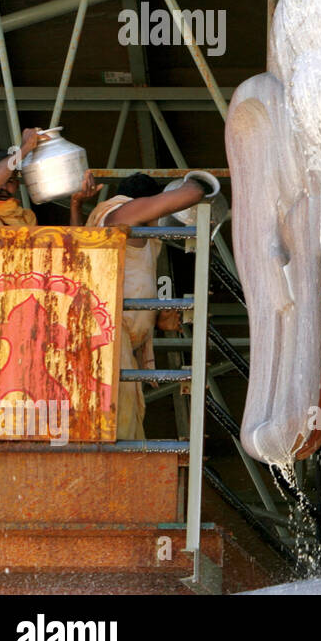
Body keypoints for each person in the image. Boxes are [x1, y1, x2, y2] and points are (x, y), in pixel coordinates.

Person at [71, 169, 217, 439]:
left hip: (117, 339)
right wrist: (198, 184)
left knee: (121, 421)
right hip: (109, 338)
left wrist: (156, 317)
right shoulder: (123, 214)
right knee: (119, 427)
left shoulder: (126, 230)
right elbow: (192, 193)